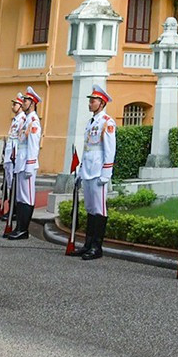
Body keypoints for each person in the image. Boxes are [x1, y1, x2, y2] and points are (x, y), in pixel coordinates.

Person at [74, 84, 116, 260]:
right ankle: (87, 244)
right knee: (90, 208)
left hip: (98, 171)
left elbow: (110, 149)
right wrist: (80, 171)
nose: (90, 103)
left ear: (102, 103)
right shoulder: (90, 123)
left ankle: (97, 247)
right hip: (88, 170)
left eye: (94, 100)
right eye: (90, 100)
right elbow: (86, 149)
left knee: (99, 210)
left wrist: (106, 173)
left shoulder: (107, 122)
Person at [1, 91, 37, 240]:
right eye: (23, 100)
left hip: (27, 164)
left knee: (27, 198)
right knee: (21, 198)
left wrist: (30, 164)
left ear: (33, 103)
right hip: (20, 163)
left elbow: (33, 145)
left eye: (26, 100)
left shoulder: (33, 121)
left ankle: (24, 230)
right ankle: (19, 228)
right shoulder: (26, 120)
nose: (23, 102)